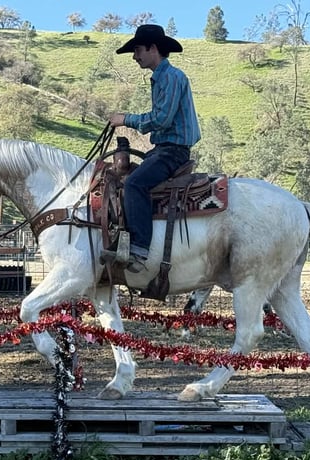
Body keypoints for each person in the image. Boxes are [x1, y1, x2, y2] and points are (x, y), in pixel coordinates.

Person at [108, 24, 201, 273]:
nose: (134, 56)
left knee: (134, 184)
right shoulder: (162, 78)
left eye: (138, 50)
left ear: (153, 48)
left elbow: (161, 119)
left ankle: (139, 250)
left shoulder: (170, 77)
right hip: (164, 149)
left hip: (172, 151)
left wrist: (126, 119)